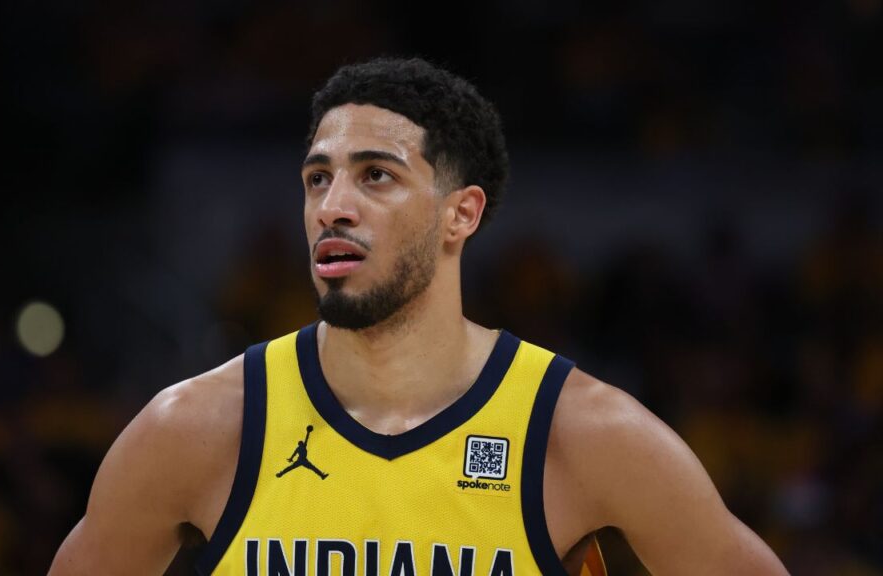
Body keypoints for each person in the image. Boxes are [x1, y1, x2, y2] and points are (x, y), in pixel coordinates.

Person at [49, 57, 788, 575]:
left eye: (376, 175)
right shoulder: (199, 429)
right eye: (318, 177)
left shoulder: (583, 434)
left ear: (459, 215)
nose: (332, 205)